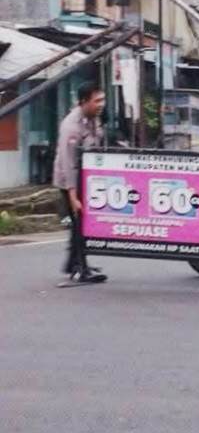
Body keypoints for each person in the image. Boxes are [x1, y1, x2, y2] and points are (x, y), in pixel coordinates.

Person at [53, 82, 107, 284]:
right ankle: (79, 268)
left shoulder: (93, 118)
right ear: (84, 102)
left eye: (102, 100)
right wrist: (73, 196)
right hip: (69, 180)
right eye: (97, 101)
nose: (101, 104)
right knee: (79, 224)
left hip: (85, 178)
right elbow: (68, 165)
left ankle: (73, 263)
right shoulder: (71, 126)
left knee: (81, 223)